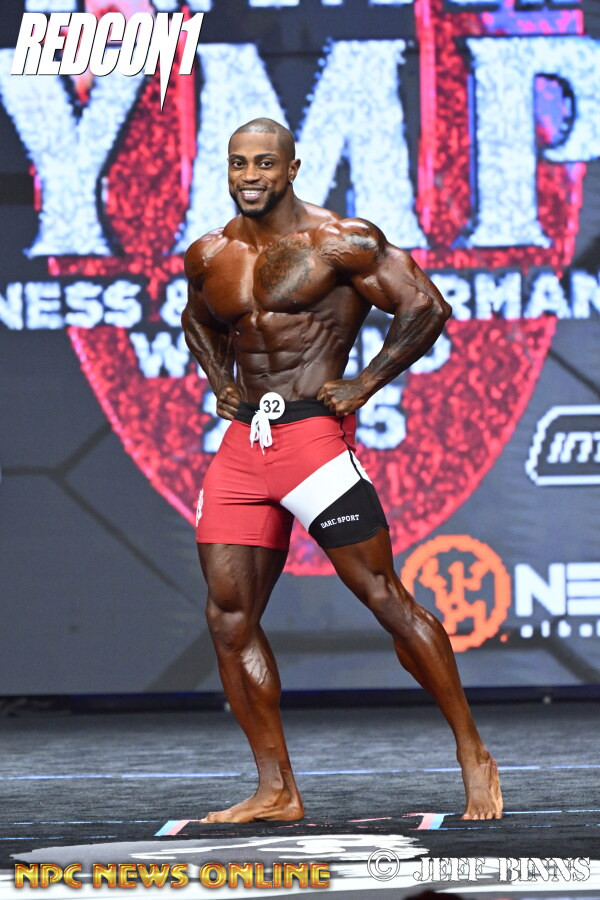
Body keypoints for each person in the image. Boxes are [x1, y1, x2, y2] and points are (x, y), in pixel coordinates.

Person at [182, 117, 503, 824]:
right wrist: (218, 380)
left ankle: (472, 752)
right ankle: (276, 789)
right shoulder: (209, 253)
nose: (250, 176)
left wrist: (367, 381)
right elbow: (198, 318)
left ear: (292, 169)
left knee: (383, 596)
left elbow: (426, 306)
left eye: (264, 163)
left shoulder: (339, 241)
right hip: (243, 448)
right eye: (239, 164)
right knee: (228, 617)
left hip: (313, 444)